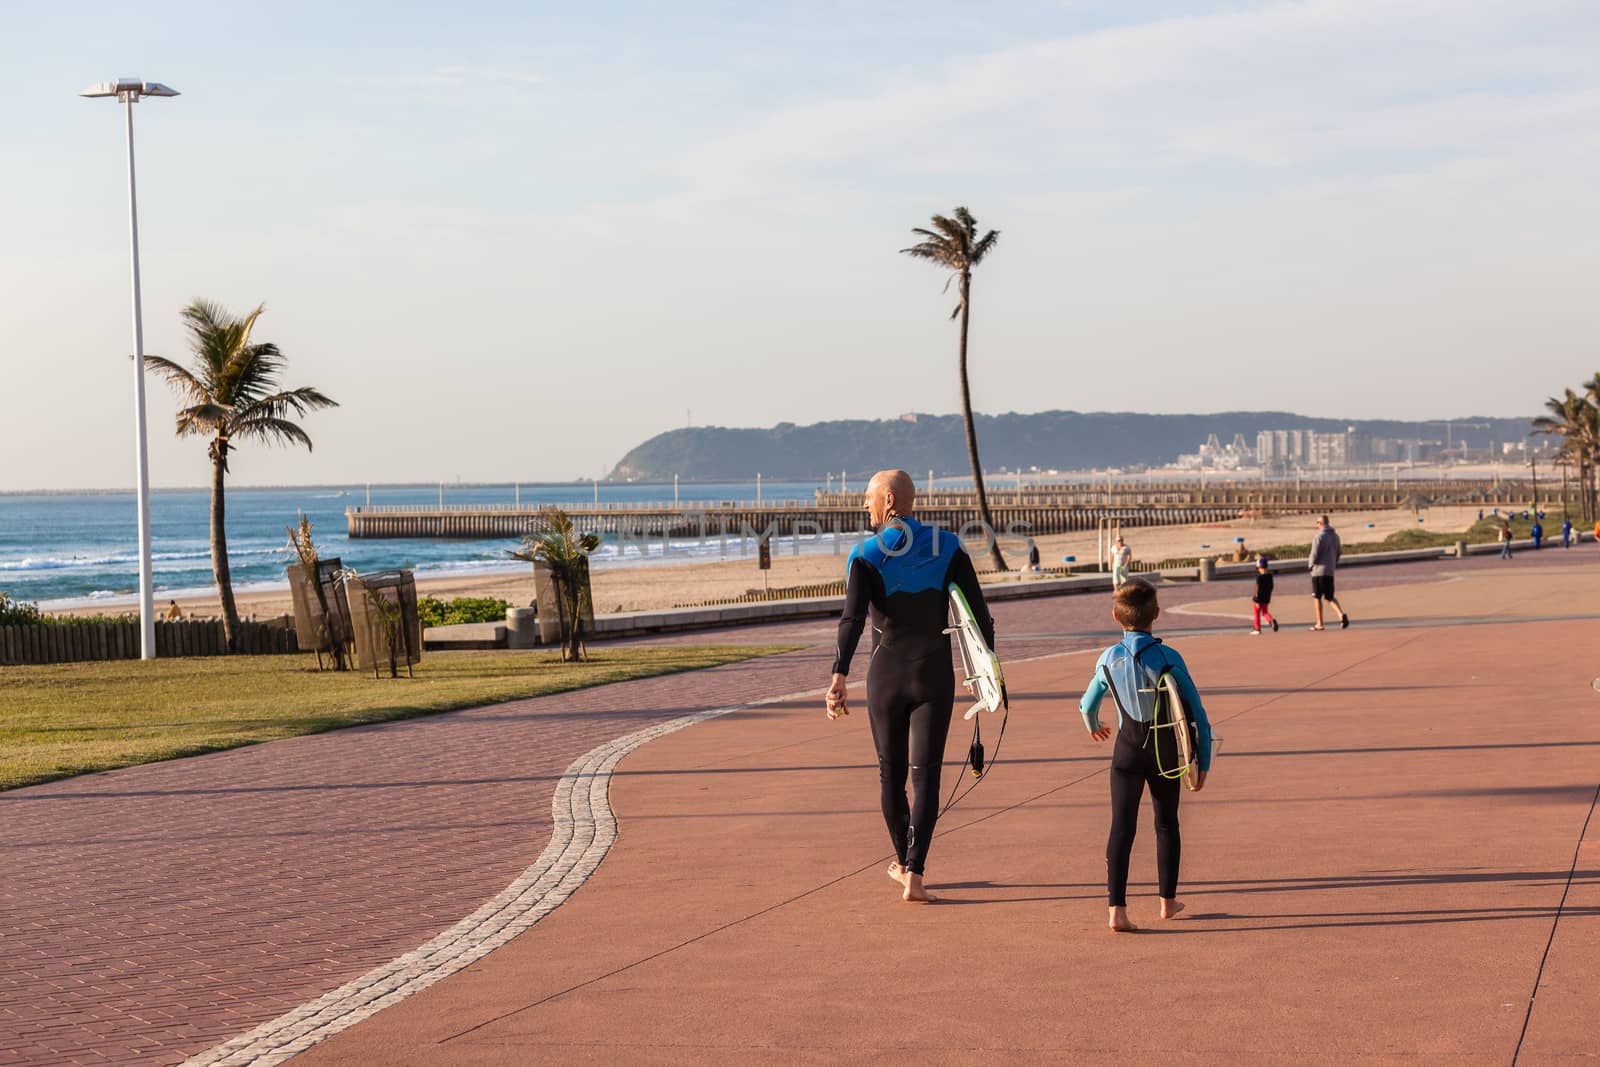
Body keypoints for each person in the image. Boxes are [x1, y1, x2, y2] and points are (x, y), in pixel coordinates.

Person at [825, 469, 994, 904]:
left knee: (891, 775)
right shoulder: (949, 547)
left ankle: (904, 862)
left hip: (885, 677)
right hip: (934, 676)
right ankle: (914, 874)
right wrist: (987, 675)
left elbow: (853, 621)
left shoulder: (865, 554)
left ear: (888, 500)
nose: (864, 505)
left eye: (868, 497)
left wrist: (839, 675)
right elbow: (979, 617)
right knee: (927, 779)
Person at [1079, 578, 1213, 932]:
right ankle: (1167, 902)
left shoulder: (1108, 658)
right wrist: (1203, 762)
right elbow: (1197, 714)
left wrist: (1094, 724)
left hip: (1126, 749)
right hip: (1164, 750)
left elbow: (1087, 704)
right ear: (1156, 613)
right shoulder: (1169, 657)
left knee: (1121, 827)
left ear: (1114, 616)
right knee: (1166, 823)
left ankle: (1116, 911)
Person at [1308, 515, 1349, 631]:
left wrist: (1310, 565)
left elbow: (1314, 553)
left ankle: (1319, 623)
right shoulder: (1336, 536)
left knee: (1317, 597)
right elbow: (1338, 553)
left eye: (1317, 522)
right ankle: (1341, 614)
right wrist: (1333, 564)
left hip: (1319, 570)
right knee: (1330, 596)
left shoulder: (1319, 536)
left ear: (1320, 523)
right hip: (1330, 570)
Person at [1251, 557, 1278, 634]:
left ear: (1259, 567)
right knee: (1265, 612)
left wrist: (1257, 600)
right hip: (1266, 598)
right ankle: (1271, 621)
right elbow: (1271, 587)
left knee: (1256, 612)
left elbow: (1258, 589)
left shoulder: (1259, 578)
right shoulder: (1270, 576)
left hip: (1259, 598)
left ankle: (1257, 628)